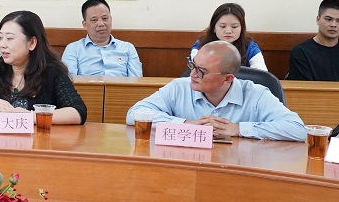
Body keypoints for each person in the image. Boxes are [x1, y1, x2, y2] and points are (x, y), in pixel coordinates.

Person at [126, 41, 305, 141]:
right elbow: (134, 114)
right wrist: (186, 124)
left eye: (202, 71)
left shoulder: (256, 94)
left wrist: (238, 128)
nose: (192, 74)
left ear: (228, 79)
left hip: (238, 168)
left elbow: (297, 129)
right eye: (192, 66)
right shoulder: (179, 87)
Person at [0, 11, 87, 124]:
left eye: (9, 38)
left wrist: (31, 117)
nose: (2, 45)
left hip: (37, 141)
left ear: (32, 43)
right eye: (0, 38)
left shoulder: (52, 72)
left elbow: (77, 112)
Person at [62, 0, 142, 77]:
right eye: (94, 20)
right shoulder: (73, 49)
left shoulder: (128, 48)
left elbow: (136, 81)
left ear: (111, 19)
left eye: (105, 18)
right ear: (85, 24)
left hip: (120, 85)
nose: (101, 24)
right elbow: (67, 81)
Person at [190, 3, 266, 71]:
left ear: (241, 28)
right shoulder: (201, 45)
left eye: (234, 27)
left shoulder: (250, 47)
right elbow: (195, 71)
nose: (228, 31)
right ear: (214, 28)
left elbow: (261, 74)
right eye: (222, 26)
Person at [288, 0, 339, 82]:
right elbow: (303, 88)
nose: (333, 25)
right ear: (318, 20)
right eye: (328, 19)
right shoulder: (301, 52)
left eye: (338, 21)